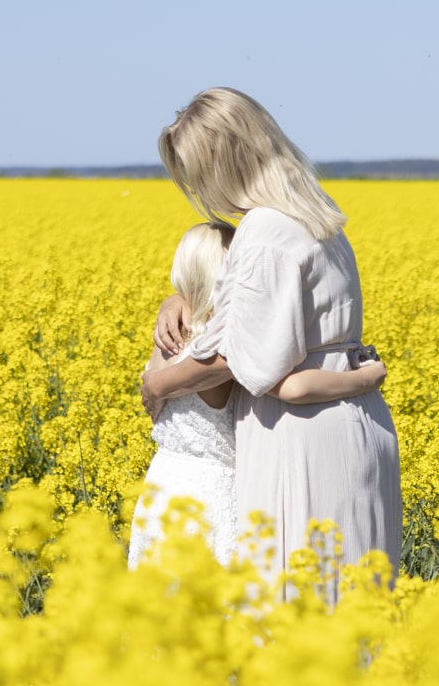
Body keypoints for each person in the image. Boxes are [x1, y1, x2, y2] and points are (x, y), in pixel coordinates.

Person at [140, 87, 402, 593]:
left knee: (298, 611)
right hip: (355, 419)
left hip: (303, 434)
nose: (199, 189)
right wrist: (181, 298)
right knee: (354, 607)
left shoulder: (263, 230)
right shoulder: (317, 213)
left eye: (198, 173)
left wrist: (159, 385)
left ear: (225, 160)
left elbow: (242, 360)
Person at [129, 220, 394, 571]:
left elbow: (155, 408)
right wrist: (364, 380)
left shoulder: (166, 338)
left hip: (163, 485)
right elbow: (291, 386)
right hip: (210, 496)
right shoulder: (226, 348)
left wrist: (174, 298)